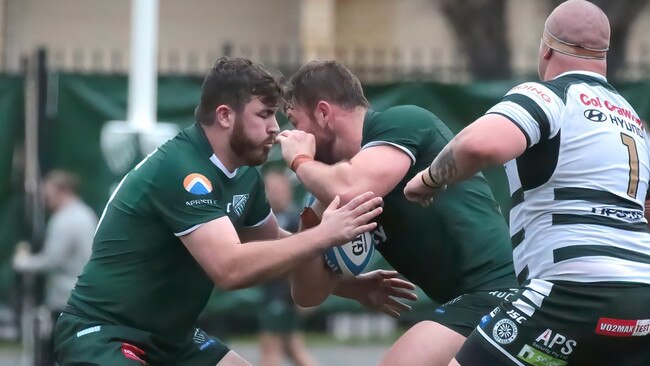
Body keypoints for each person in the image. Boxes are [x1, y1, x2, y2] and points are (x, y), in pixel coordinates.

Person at [52, 57, 400, 366]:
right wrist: (325, 233)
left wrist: (349, 287)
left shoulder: (245, 176)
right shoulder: (185, 171)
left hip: (173, 339)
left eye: (275, 116)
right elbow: (229, 268)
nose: (275, 128)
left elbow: (277, 251)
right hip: (105, 334)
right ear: (224, 116)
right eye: (263, 115)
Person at [404, 1, 650, 365]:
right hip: (641, 298)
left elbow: (478, 144)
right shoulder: (632, 121)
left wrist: (428, 180)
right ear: (604, 57)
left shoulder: (549, 96)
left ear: (546, 48)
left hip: (571, 290)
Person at [276, 60, 518, 366]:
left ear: (323, 113)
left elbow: (354, 186)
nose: (291, 135)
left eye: (295, 123)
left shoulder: (401, 122)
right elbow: (307, 293)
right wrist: (312, 228)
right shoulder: (328, 189)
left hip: (502, 292)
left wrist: (299, 160)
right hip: (467, 303)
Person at [13, 169, 97, 365]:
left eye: (48, 191)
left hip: (65, 301)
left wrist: (23, 262)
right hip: (82, 298)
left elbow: (53, 260)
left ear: (63, 190)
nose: (45, 197)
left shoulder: (65, 220)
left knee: (55, 354)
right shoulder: (86, 213)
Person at [257, 169, 318, 366]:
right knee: (292, 347)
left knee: (270, 347)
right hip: (272, 291)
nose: (273, 193)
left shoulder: (294, 220)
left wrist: (305, 298)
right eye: (268, 188)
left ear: (288, 190)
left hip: (284, 294)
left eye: (277, 188)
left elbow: (307, 259)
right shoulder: (264, 221)